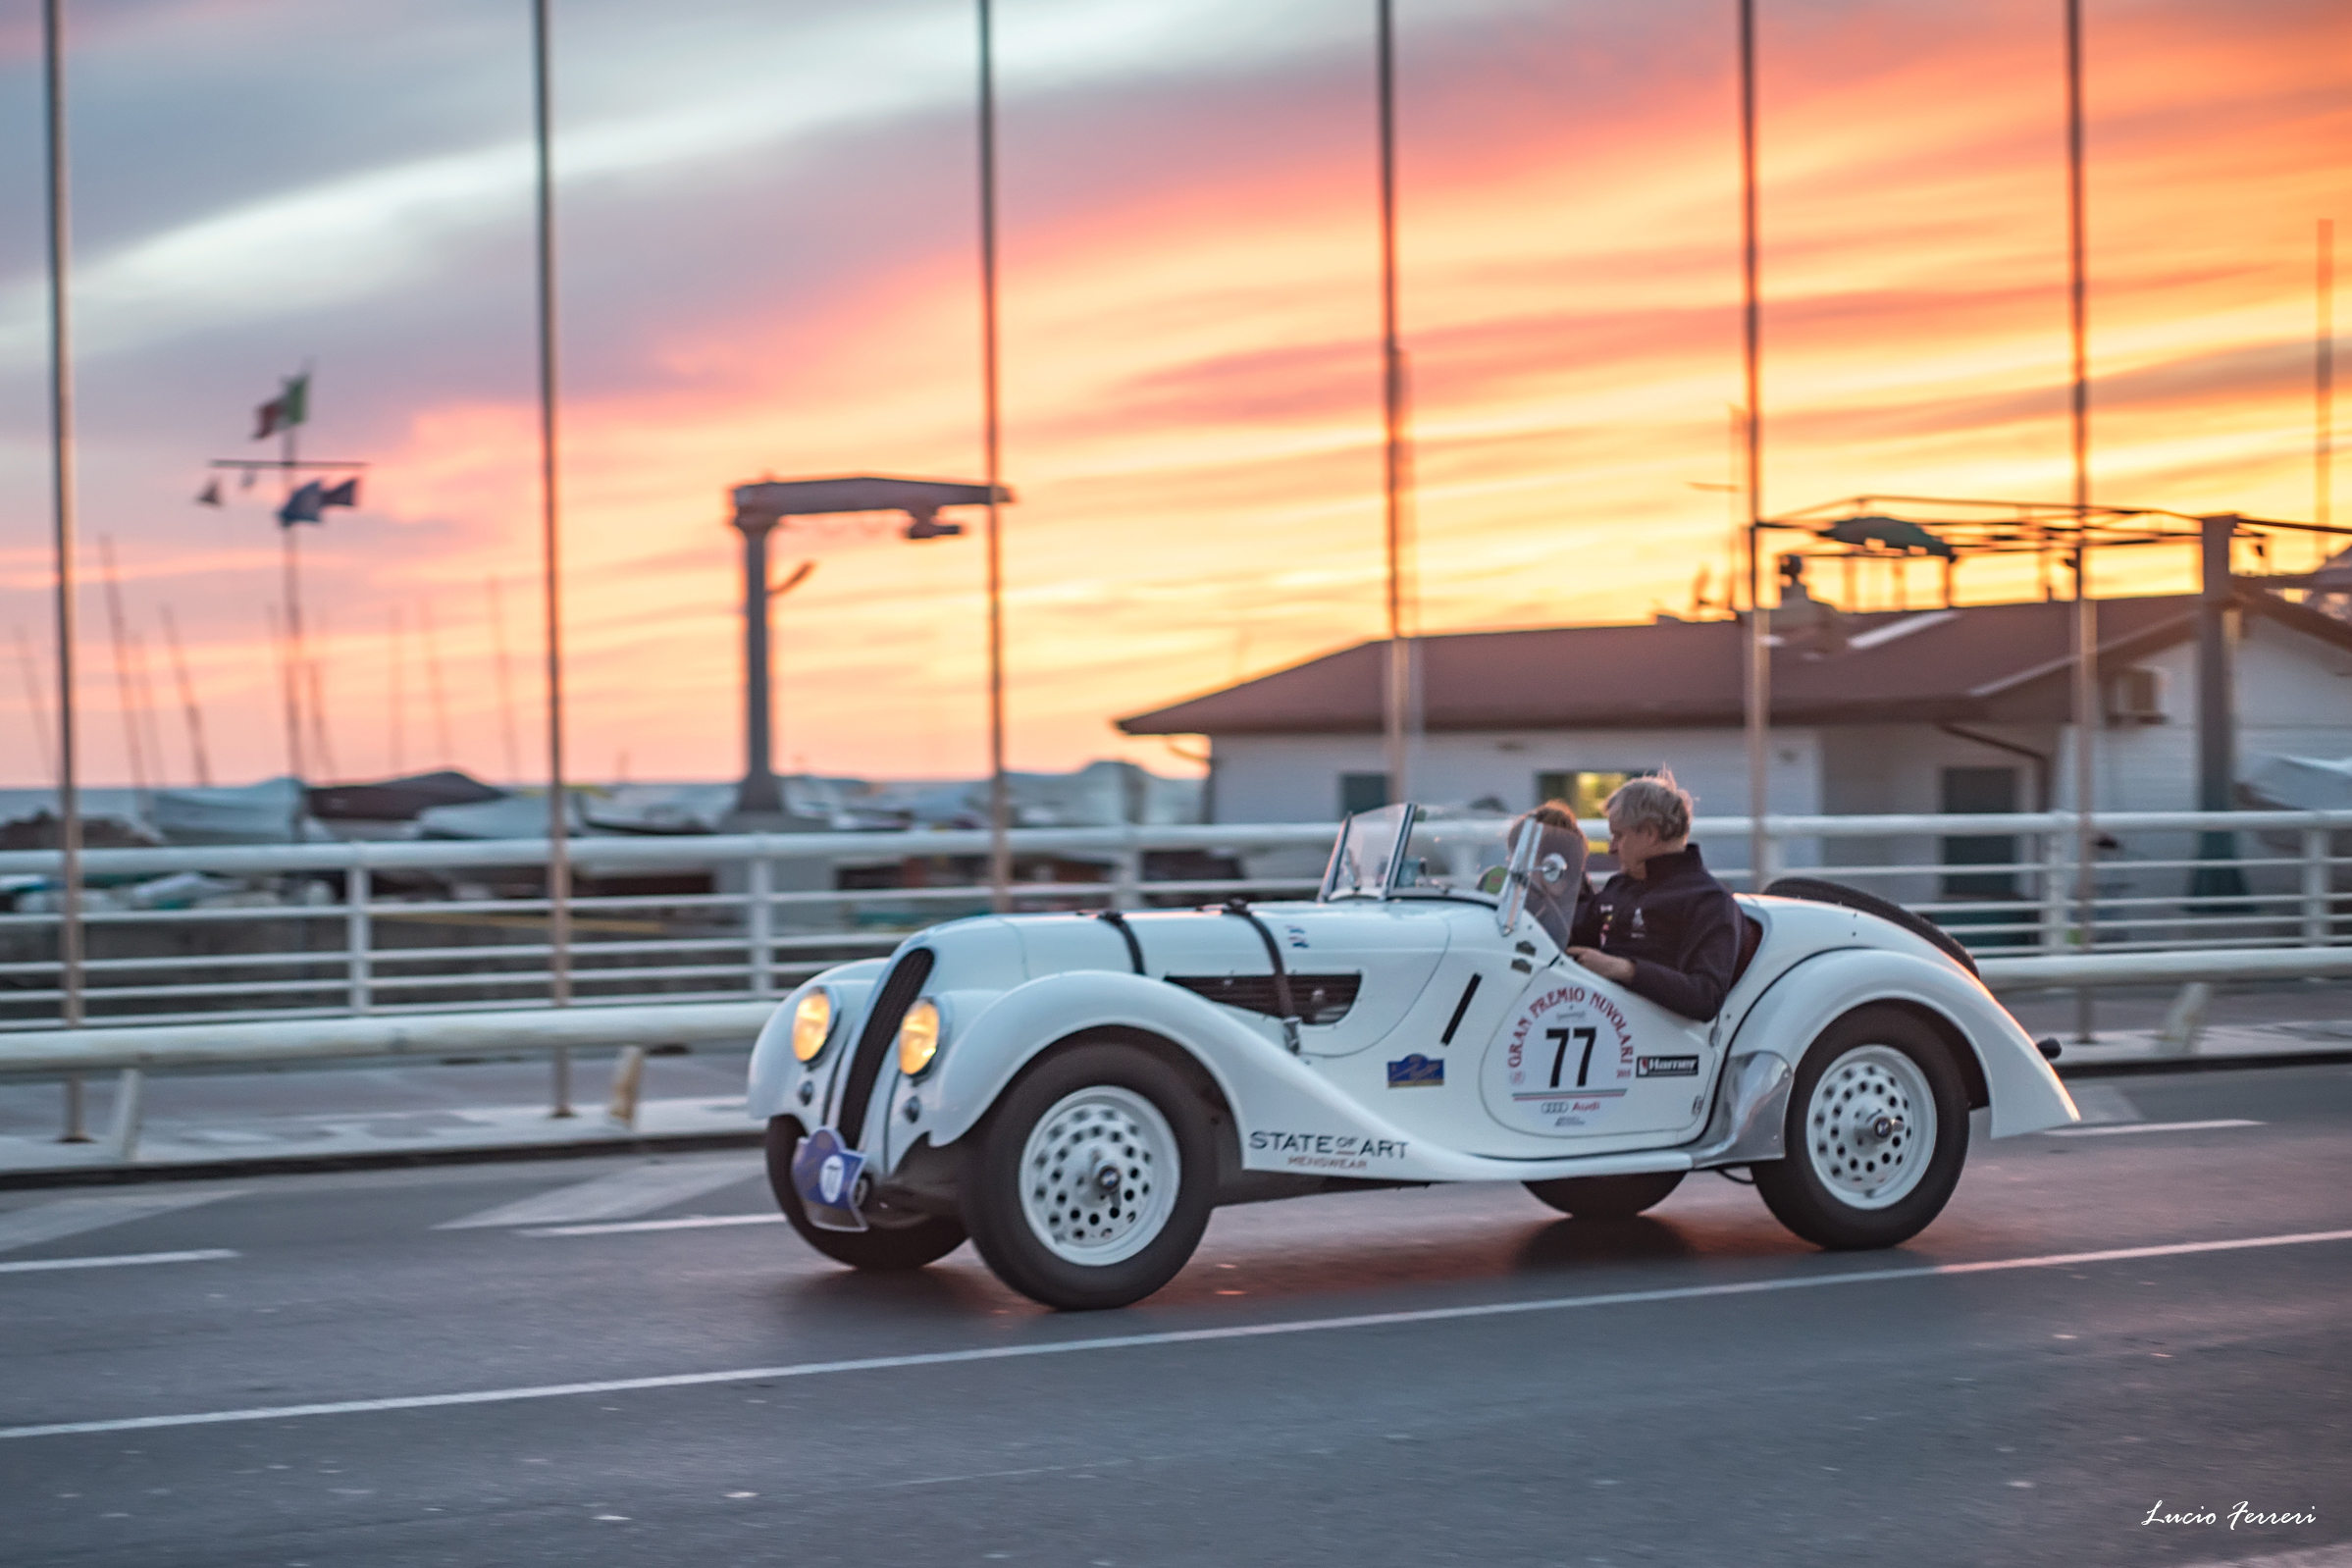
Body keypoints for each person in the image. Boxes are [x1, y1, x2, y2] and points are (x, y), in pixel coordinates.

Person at [1564, 772, 1741, 1021]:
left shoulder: (1708, 901)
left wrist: (1623, 969)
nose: (1612, 848)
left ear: (1649, 833)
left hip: (1647, 1036)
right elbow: (1569, 935)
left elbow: (1706, 996)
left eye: (1619, 836)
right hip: (1594, 1019)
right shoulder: (1620, 886)